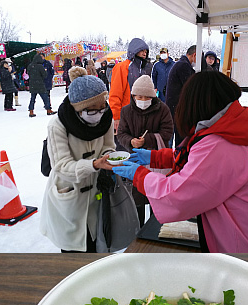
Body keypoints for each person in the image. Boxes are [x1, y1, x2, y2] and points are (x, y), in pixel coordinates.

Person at [109, 71, 248, 253]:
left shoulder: (219, 146)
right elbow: (197, 159)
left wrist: (139, 175)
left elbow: (176, 196)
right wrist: (155, 157)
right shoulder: (237, 129)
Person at [39, 67, 120, 253]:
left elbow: (109, 146)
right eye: (92, 111)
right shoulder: (57, 125)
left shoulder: (105, 116)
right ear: (79, 108)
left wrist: (109, 158)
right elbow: (61, 165)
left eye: (102, 107)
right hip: (70, 194)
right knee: (74, 254)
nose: (99, 113)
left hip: (97, 193)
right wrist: (92, 165)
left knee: (99, 246)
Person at [117, 75, 174, 225]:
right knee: (138, 198)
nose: (142, 100)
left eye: (146, 97)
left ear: (152, 96)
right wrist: (130, 142)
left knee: (158, 197)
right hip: (136, 160)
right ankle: (139, 229)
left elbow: (168, 132)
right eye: (139, 97)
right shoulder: (126, 111)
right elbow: (121, 133)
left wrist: (147, 140)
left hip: (157, 160)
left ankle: (157, 227)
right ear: (133, 96)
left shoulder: (163, 109)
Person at [109, 38, 154, 133]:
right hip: (126, 114)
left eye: (146, 51)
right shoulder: (122, 67)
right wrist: (116, 116)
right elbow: (115, 93)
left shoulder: (145, 68)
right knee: (124, 146)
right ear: (134, 50)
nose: (144, 53)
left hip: (142, 115)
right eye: (142, 50)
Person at [165, 45, 197, 145]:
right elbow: (191, 87)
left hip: (175, 107)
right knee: (181, 140)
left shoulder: (180, 64)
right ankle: (178, 158)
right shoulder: (184, 66)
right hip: (177, 108)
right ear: (194, 55)